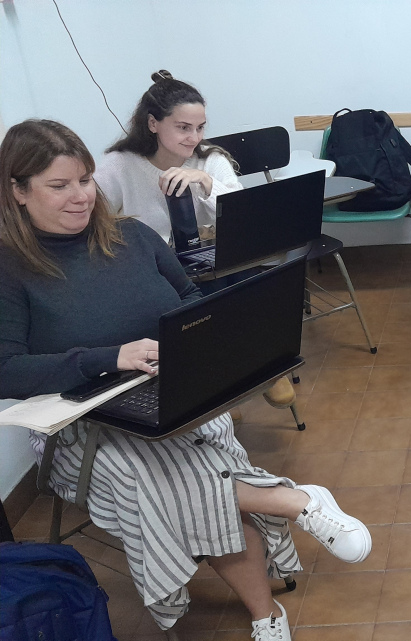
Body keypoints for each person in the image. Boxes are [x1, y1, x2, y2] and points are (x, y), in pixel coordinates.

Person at [0, 120, 371, 640]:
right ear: (17, 190)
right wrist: (111, 357)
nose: (81, 196)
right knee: (162, 480)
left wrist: (196, 347)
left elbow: (193, 302)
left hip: (172, 389)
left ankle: (271, 602)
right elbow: (7, 371)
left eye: (84, 180)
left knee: (185, 476)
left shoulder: (133, 237)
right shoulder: (11, 268)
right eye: (59, 186)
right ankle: (292, 509)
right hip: (79, 420)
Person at [95, 69, 295, 410]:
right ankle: (224, 383)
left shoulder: (210, 160)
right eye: (183, 127)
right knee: (194, 303)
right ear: (153, 123)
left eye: (200, 127)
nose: (194, 137)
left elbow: (244, 218)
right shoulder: (120, 165)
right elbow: (95, 217)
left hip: (208, 256)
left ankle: (254, 367)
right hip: (153, 265)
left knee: (242, 279)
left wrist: (205, 183)